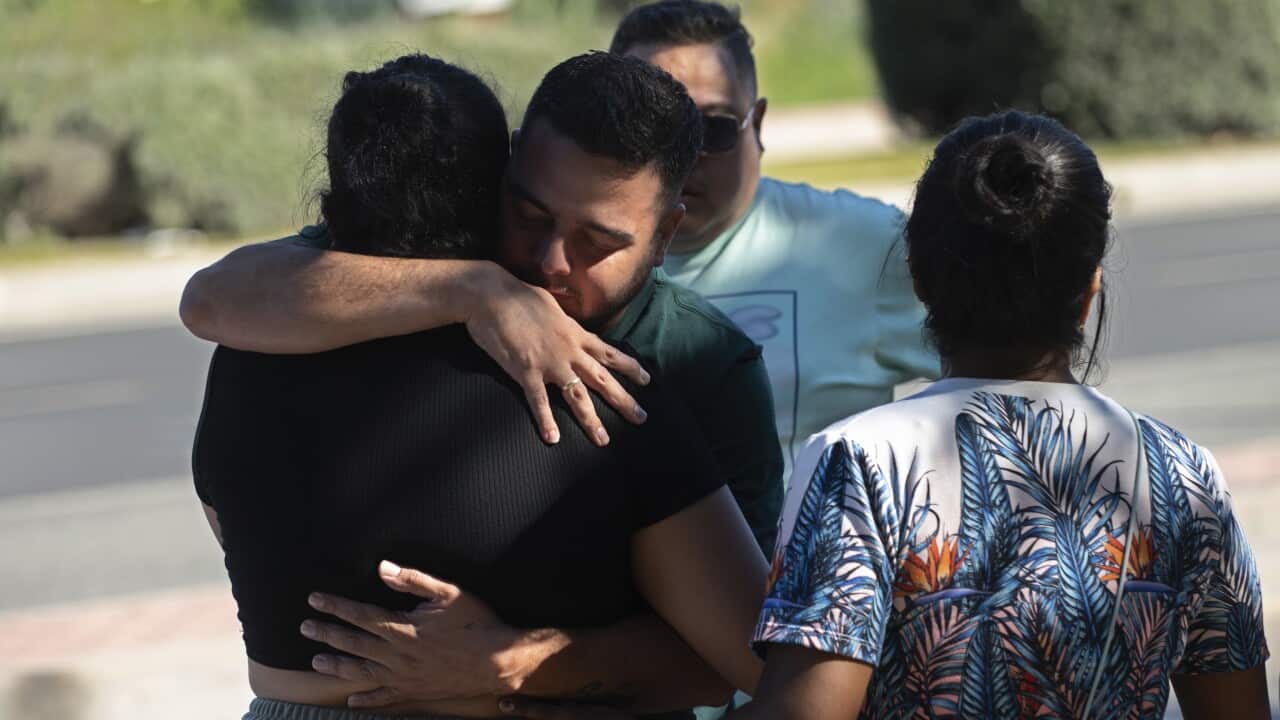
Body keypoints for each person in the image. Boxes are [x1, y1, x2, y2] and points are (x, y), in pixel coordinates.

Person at [194, 53, 768, 720]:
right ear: (503, 177)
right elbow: (211, 297)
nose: (552, 262)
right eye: (530, 215)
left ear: (666, 232)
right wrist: (475, 288)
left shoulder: (696, 365)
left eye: (597, 242)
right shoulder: (321, 300)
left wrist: (520, 663)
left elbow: (758, 657)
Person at [610, 1, 939, 471]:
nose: (683, 153)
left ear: (758, 124)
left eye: (712, 127)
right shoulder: (559, 255)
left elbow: (1014, 370)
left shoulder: (861, 245)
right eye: (654, 127)